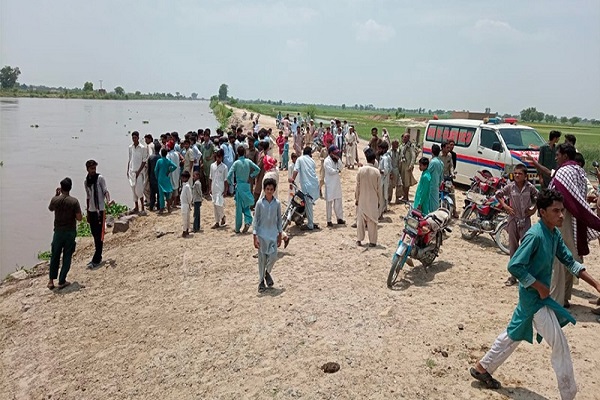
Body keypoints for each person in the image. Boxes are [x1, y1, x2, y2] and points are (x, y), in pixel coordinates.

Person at [469, 189, 600, 400]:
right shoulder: (535, 235)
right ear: (542, 212)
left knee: (513, 336)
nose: (561, 215)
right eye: (555, 211)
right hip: (534, 301)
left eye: (562, 210)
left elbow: (569, 261)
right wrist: (538, 285)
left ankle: (483, 367)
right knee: (560, 346)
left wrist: (595, 284)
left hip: (536, 299)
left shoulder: (553, 234)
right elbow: (514, 266)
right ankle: (569, 395)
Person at [548, 144, 600, 308]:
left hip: (564, 217)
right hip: (576, 218)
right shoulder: (579, 170)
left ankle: (557, 298)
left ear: (564, 155)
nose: (556, 157)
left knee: (559, 257)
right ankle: (564, 297)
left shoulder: (564, 171)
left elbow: (560, 195)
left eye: (558, 154)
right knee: (569, 256)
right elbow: (581, 196)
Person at [495, 163, 539, 286]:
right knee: (513, 249)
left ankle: (524, 276)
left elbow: (539, 197)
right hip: (513, 220)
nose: (517, 175)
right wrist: (505, 206)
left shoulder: (530, 188)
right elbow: (498, 195)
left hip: (525, 220)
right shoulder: (510, 187)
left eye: (520, 173)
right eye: (515, 173)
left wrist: (534, 210)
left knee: (526, 249)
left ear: (525, 176)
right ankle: (513, 276)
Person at [48, 178, 82, 290]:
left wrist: (56, 195)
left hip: (58, 232)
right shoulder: (74, 202)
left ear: (61, 188)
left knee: (55, 256)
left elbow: (50, 209)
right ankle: (62, 280)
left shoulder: (55, 200)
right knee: (67, 256)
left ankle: (51, 281)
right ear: (70, 188)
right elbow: (79, 218)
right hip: (70, 232)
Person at [253, 178, 283, 293]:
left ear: (274, 190)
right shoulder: (260, 203)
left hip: (273, 234)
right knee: (262, 260)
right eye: (267, 189)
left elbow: (279, 220)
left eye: (271, 189)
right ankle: (261, 282)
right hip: (261, 235)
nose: (269, 191)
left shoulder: (277, 203)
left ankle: (267, 273)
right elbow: (255, 220)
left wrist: (280, 234)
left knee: (273, 256)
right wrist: (254, 236)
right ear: (264, 190)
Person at [227, 146, 260, 233]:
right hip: (247, 186)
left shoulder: (236, 163)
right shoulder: (248, 161)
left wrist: (231, 183)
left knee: (238, 209)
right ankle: (248, 221)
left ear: (237, 153)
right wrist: (252, 175)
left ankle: (237, 228)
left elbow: (228, 175)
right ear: (245, 153)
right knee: (246, 206)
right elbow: (258, 169)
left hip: (239, 187)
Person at [84, 160, 110, 269]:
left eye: (94, 168)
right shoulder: (86, 182)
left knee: (100, 235)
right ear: (87, 169)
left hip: (100, 210)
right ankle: (97, 256)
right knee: (95, 234)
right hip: (92, 210)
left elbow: (105, 191)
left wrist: (108, 201)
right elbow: (88, 197)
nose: (93, 171)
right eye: (91, 169)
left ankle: (97, 258)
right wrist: (88, 213)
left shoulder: (100, 179)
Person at [289, 147, 320, 230]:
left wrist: (292, 179)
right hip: (314, 184)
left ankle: (310, 225)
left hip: (307, 186)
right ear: (310, 153)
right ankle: (307, 220)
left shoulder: (300, 159)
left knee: (308, 205)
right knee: (307, 204)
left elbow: (296, 170)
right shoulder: (312, 161)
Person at [355, 150, 381, 246]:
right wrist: (379, 201)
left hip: (362, 198)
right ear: (374, 160)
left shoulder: (360, 170)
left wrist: (357, 199)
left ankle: (359, 240)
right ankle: (373, 242)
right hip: (373, 199)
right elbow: (379, 189)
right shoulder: (377, 172)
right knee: (372, 221)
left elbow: (357, 186)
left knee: (360, 220)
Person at [323, 145, 345, 227]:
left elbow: (341, 167)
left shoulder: (336, 160)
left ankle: (339, 218)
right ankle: (329, 220)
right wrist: (337, 171)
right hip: (330, 185)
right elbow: (330, 171)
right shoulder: (327, 161)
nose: (336, 154)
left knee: (338, 202)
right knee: (329, 203)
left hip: (336, 184)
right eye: (335, 153)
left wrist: (338, 159)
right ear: (331, 153)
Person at [127, 131, 148, 214]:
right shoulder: (130, 147)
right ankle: (136, 206)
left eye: (135, 137)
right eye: (133, 138)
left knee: (139, 190)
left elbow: (144, 161)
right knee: (133, 190)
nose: (134, 139)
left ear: (138, 138)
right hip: (131, 171)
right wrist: (127, 169)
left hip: (139, 172)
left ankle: (142, 206)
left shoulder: (143, 148)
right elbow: (130, 159)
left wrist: (139, 171)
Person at [154, 148, 178, 213]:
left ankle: (161, 209)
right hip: (166, 178)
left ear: (161, 153)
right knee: (167, 193)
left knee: (161, 195)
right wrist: (169, 171)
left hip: (160, 179)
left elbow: (156, 170)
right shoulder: (168, 161)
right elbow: (175, 166)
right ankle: (169, 208)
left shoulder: (159, 161)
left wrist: (157, 177)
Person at [209, 149, 228, 229]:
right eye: (217, 157)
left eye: (220, 157)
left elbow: (225, 179)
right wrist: (209, 187)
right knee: (214, 204)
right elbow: (210, 177)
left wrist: (226, 189)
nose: (218, 159)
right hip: (214, 186)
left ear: (222, 157)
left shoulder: (224, 167)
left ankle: (222, 216)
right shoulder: (212, 166)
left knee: (219, 203)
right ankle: (217, 221)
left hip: (220, 187)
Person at [440, 141, 459, 218]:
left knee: (451, 193)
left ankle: (454, 211)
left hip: (447, 177)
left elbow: (451, 166)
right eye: (447, 147)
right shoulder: (438, 155)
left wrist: (452, 173)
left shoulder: (449, 155)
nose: (449, 149)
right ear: (443, 148)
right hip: (440, 177)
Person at [399, 132, 417, 202]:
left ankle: (406, 197)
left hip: (407, 166)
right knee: (402, 181)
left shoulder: (410, 146)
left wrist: (411, 165)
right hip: (402, 165)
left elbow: (413, 156)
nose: (404, 138)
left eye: (406, 137)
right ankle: (404, 196)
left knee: (407, 182)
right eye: (404, 137)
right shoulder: (402, 146)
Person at [378, 141, 392, 217]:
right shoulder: (384, 157)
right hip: (383, 179)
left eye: (380, 149)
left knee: (382, 196)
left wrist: (380, 171)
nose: (378, 151)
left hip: (383, 180)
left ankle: (381, 213)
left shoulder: (385, 158)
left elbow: (386, 170)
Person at [427, 144, 443, 212]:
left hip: (431, 184)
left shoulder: (433, 162)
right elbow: (441, 175)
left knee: (430, 201)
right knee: (435, 200)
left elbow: (428, 173)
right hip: (437, 184)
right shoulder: (441, 162)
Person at [147, 142, 161, 211]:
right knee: (159, 193)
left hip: (152, 177)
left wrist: (148, 178)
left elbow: (149, 169)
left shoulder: (151, 157)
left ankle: (151, 206)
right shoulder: (161, 158)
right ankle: (158, 206)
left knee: (152, 193)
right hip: (158, 178)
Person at [179, 171, 192, 237]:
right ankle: (186, 229)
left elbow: (189, 196)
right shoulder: (184, 185)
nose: (182, 178)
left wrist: (189, 203)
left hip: (185, 204)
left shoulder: (187, 186)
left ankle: (185, 230)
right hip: (184, 203)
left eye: (183, 177)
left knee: (185, 218)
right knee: (186, 217)